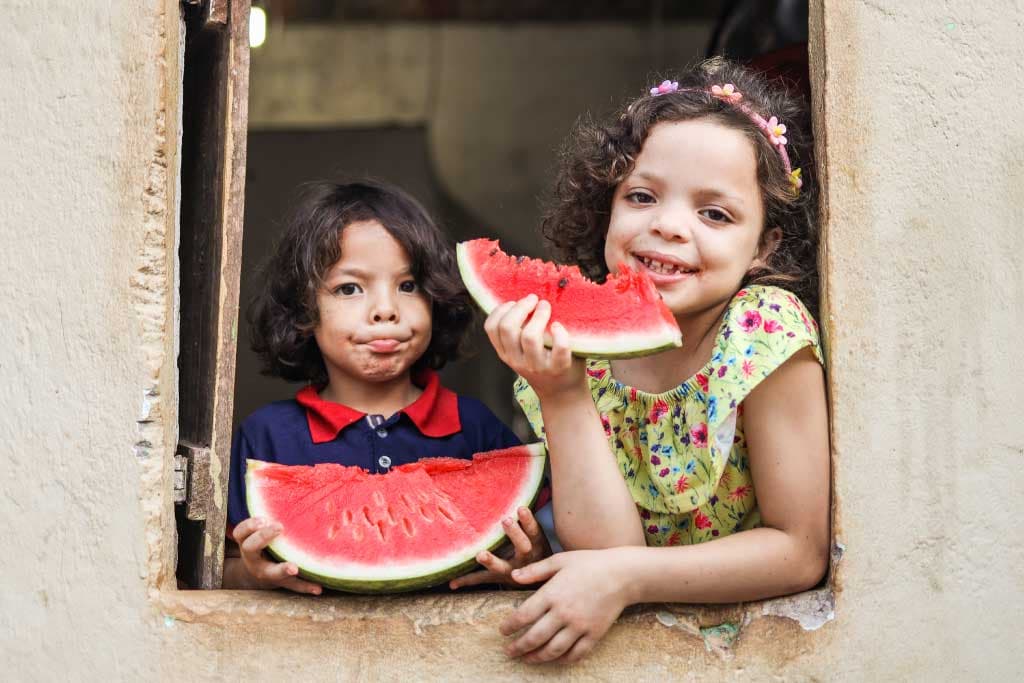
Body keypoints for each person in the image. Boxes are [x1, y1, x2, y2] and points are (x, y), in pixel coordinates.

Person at [483, 57, 830, 663]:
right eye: (641, 197)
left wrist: (629, 578)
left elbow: (800, 550)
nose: (668, 225)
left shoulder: (762, 331)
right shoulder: (575, 353)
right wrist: (562, 394)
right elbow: (607, 548)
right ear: (605, 208)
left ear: (765, 244)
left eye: (714, 213)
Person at [221, 180, 547, 593]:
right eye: (349, 289)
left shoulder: (476, 427)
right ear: (304, 310)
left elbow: (538, 547)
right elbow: (226, 565)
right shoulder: (266, 435)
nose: (385, 311)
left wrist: (529, 558)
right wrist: (252, 574)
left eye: (408, 286)